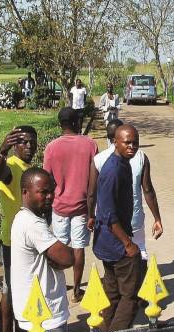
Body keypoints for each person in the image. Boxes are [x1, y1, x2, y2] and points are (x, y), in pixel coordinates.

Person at [10, 167, 74, 332]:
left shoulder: (23, 219)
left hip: (37, 311)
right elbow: (66, 258)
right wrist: (59, 251)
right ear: (25, 192)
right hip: (45, 314)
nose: (49, 197)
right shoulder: (34, 224)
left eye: (51, 191)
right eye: (42, 192)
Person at [92, 125, 144, 332]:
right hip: (116, 243)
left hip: (108, 243)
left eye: (135, 142)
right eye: (127, 142)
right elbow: (108, 214)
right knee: (130, 296)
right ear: (115, 142)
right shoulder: (113, 170)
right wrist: (128, 244)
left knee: (111, 291)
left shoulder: (122, 164)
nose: (132, 146)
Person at [91, 119, 164, 277]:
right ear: (116, 139)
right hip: (131, 219)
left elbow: (92, 193)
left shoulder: (99, 159)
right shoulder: (140, 156)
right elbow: (148, 189)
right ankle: (138, 290)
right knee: (139, 250)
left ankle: (126, 290)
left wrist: (91, 215)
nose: (131, 146)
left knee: (113, 262)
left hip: (107, 223)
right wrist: (157, 217)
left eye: (134, 142)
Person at [43, 107, 98, 301]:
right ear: (77, 122)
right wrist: (92, 212)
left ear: (60, 124)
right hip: (82, 208)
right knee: (78, 248)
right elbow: (94, 182)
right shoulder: (90, 145)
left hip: (59, 207)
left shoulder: (51, 147)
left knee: (59, 247)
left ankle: (58, 289)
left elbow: (47, 180)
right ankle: (76, 290)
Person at [0, 126, 38, 332]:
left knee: (21, 289)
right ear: (15, 145)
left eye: (32, 142)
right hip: (13, 241)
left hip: (30, 241)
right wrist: (2, 152)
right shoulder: (11, 166)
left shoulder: (29, 168)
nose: (29, 147)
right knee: (11, 289)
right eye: (24, 143)